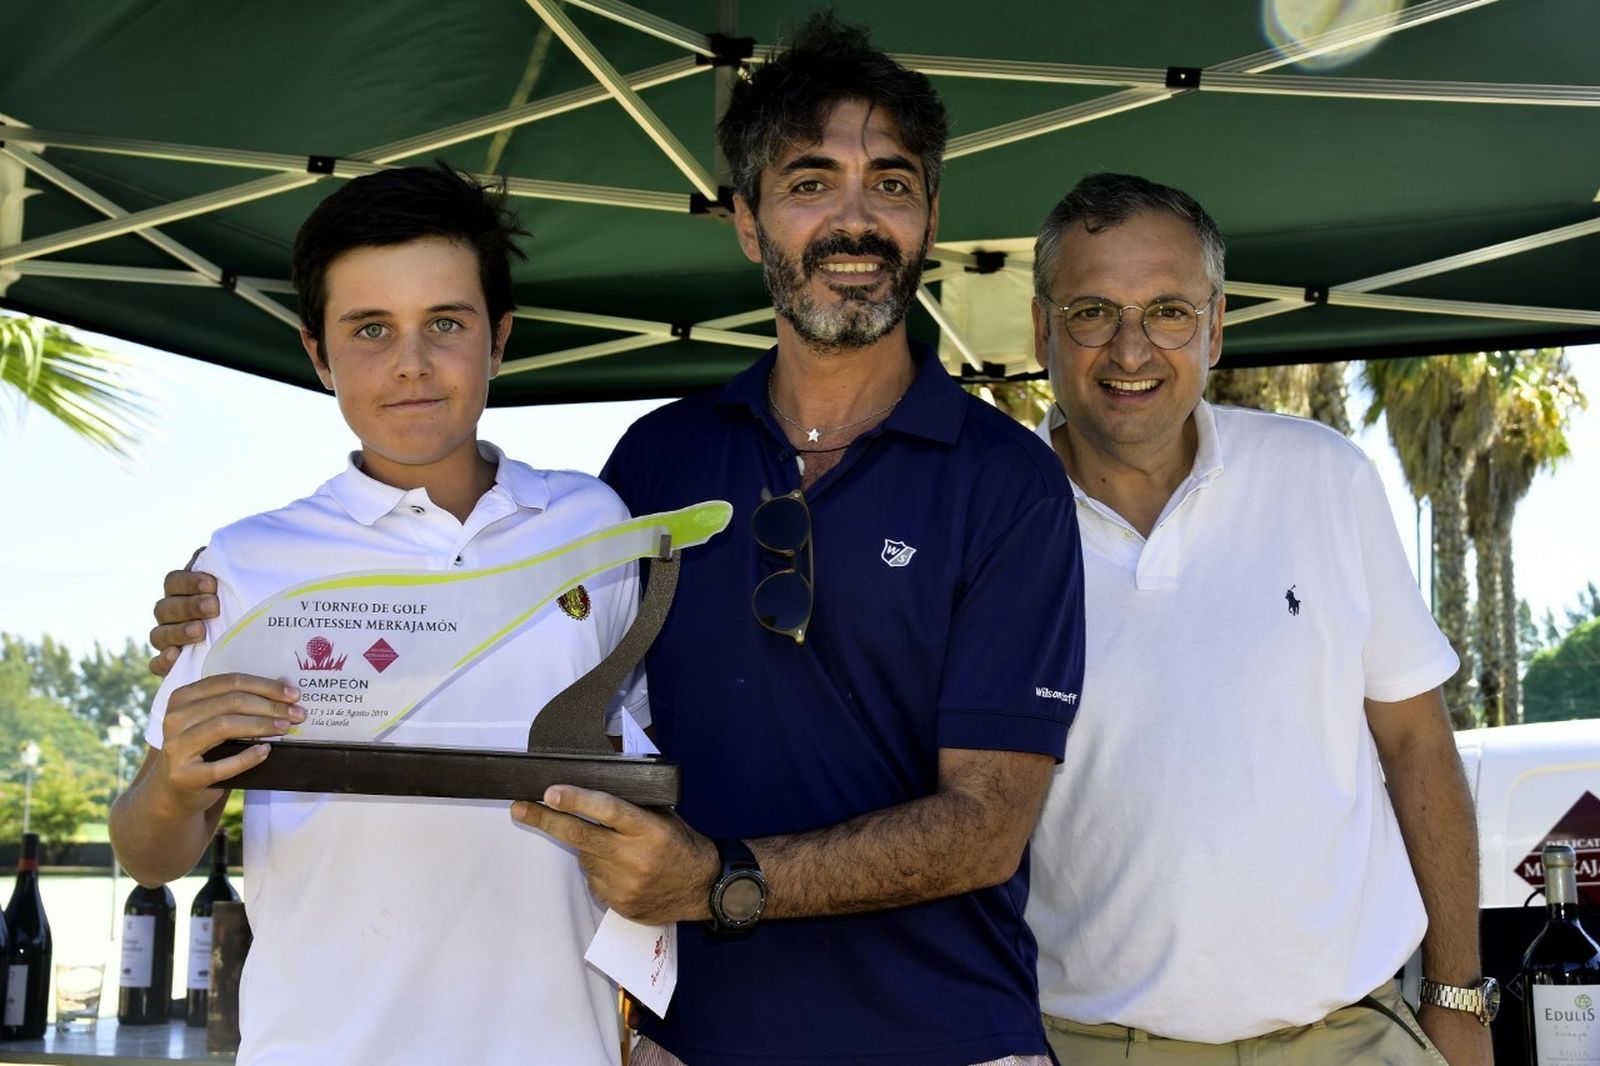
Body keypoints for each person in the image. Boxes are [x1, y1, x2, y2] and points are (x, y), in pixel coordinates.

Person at [152, 15, 1086, 1066]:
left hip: (944, 1040)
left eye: (894, 185)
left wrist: (723, 878)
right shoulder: (652, 468)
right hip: (689, 1046)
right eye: (810, 182)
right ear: (747, 221)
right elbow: (542, 685)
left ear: (928, 217)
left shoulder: (1011, 483)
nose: (854, 221)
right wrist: (222, 618)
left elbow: (988, 824)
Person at [113, 164, 645, 1066]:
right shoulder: (248, 563)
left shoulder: (596, 527)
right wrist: (171, 779)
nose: (411, 361)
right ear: (317, 355)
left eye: (446, 322)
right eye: (369, 329)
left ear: (500, 338)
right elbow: (150, 852)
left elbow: (643, 791)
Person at [1024, 172, 1493, 1065]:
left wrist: (1460, 997)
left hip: (1353, 1037)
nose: (1132, 350)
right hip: (1087, 1046)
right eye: (1093, 312)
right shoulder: (989, 519)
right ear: (1044, 327)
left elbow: (1416, 746)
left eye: (1168, 310)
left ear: (1215, 324)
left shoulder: (1323, 477)